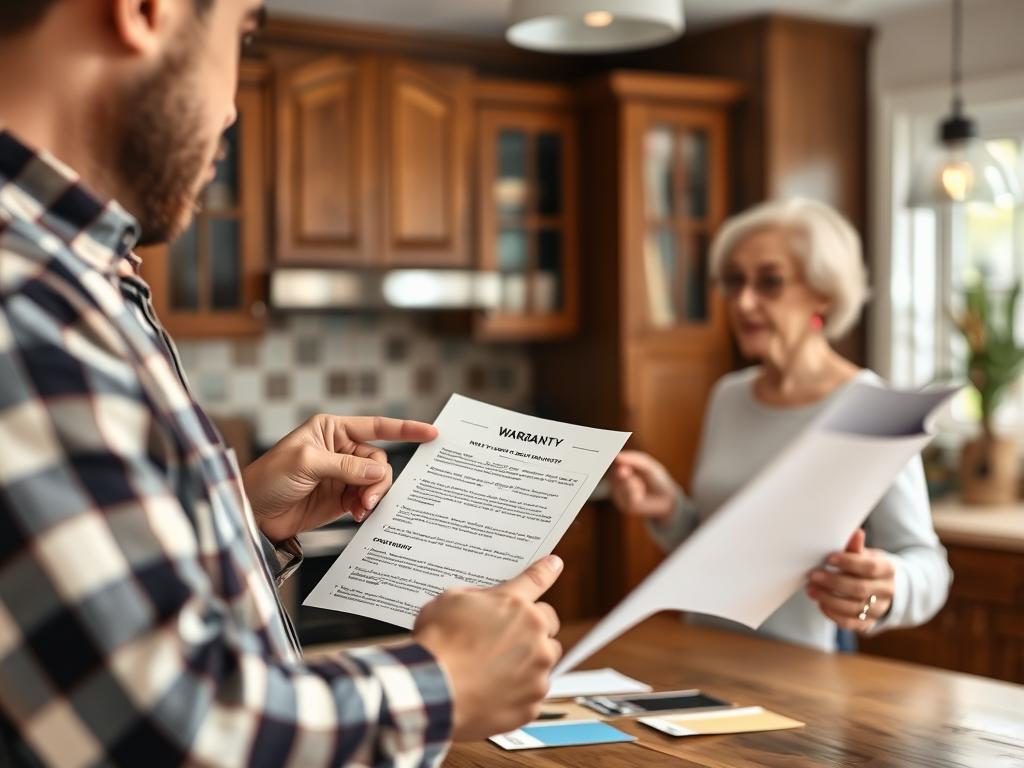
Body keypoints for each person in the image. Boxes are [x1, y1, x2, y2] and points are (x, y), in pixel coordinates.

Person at [0, 2, 562, 765]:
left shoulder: (78, 274)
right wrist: (449, 679)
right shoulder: (25, 298)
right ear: (144, 11)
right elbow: (174, 734)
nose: (232, 106)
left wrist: (236, 522)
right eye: (243, 35)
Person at [610, 198, 952, 652]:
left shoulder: (874, 410)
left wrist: (889, 588)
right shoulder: (728, 396)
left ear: (823, 294)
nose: (744, 301)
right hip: (703, 649)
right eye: (734, 282)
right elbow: (725, 552)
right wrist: (669, 507)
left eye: (770, 282)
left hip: (804, 666)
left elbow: (929, 567)